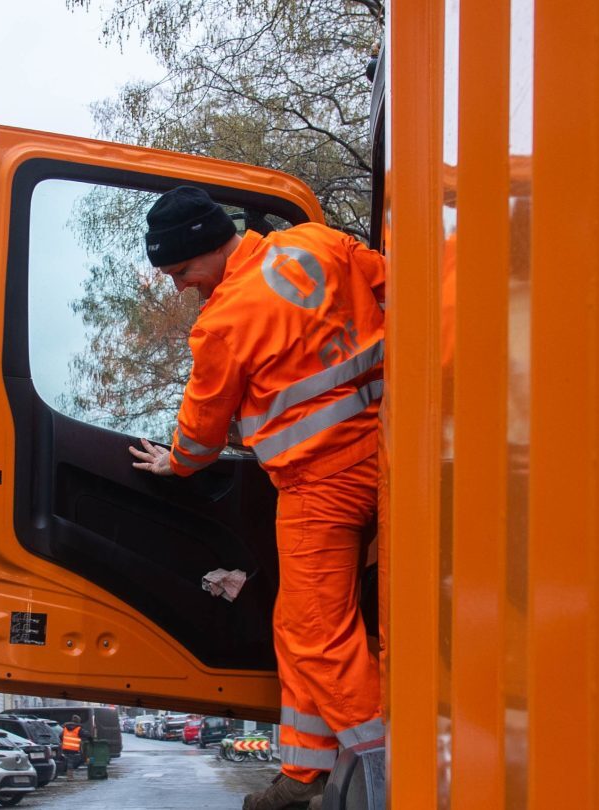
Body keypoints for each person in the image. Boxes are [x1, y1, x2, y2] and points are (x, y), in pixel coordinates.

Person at [127, 186, 386, 810]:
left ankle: (389, 771)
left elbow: (202, 428)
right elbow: (392, 288)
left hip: (319, 485)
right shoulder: (320, 244)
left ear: (209, 248)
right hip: (391, 449)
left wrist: (176, 463)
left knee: (315, 634)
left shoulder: (225, 320)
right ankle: (302, 774)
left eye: (182, 271)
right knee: (296, 625)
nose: (182, 287)